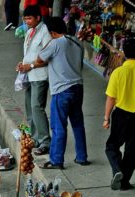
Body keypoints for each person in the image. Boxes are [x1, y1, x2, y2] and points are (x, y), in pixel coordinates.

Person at [25, 17, 88, 169]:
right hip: (78, 87)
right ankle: (82, 157)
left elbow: (40, 58)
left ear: (52, 31)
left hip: (61, 90)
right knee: (78, 124)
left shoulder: (55, 43)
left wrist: (48, 42)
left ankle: (56, 160)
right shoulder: (76, 42)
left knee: (58, 126)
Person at [103, 38, 135, 191]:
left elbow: (111, 98)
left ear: (124, 53)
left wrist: (106, 118)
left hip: (120, 115)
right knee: (133, 150)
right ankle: (124, 183)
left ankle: (117, 169)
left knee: (112, 146)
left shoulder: (118, 72)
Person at [16, 5, 51, 155]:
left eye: (30, 18)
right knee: (30, 108)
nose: (27, 22)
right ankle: (35, 138)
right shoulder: (29, 32)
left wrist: (29, 65)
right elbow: (29, 53)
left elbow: (48, 57)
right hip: (29, 75)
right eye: (25, 19)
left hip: (40, 76)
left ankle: (45, 141)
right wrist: (22, 64)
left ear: (38, 18)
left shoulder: (45, 33)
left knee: (37, 107)